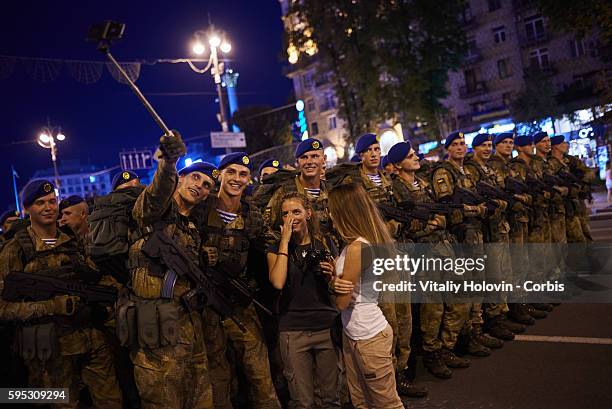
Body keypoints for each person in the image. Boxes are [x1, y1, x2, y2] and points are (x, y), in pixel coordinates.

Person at [0, 179, 122, 408]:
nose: (48, 207)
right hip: (50, 351)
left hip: (92, 340)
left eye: (52, 201)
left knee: (111, 401)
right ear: (27, 209)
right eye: (40, 203)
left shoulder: (74, 240)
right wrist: (52, 307)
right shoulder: (15, 251)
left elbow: (94, 276)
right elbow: (3, 308)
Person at [125, 132, 215, 409]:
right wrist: (168, 163)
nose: (200, 186)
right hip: (158, 330)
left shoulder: (193, 226)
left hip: (190, 328)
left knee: (201, 399)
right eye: (195, 178)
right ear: (183, 178)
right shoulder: (155, 211)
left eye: (208, 185)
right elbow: (158, 192)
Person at [199, 152, 281, 409]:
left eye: (243, 174)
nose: (236, 179)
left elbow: (268, 246)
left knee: (259, 372)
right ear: (220, 175)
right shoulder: (201, 210)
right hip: (207, 308)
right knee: (217, 375)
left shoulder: (252, 214)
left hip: (240, 305)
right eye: (231, 172)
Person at [388, 141, 470, 379]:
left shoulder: (425, 184)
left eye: (415, 154)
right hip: (424, 254)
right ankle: (433, 352)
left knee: (460, 297)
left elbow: (443, 216)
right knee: (432, 307)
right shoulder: (396, 191)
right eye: (410, 156)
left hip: (444, 248)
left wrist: (433, 222)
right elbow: (404, 227)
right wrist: (428, 224)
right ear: (398, 164)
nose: (416, 158)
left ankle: (447, 345)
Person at [328, 183, 404, 409]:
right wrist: (337, 277)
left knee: (386, 403)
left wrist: (334, 284)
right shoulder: (357, 243)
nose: (330, 215)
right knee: (361, 401)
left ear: (344, 212)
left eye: (332, 209)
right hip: (355, 333)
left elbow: (341, 303)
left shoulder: (357, 248)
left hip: (367, 336)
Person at [267, 192, 340, 409]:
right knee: (302, 401)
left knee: (331, 399)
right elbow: (278, 282)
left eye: (296, 212)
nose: (291, 218)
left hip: (326, 327)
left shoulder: (325, 243)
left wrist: (331, 276)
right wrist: (285, 241)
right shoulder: (276, 249)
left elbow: (338, 284)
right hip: (293, 330)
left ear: (308, 213)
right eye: (286, 214)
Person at [430, 131, 498, 356]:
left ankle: (476, 330)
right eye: (455, 144)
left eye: (462, 144)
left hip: (476, 234)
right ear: (448, 148)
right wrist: (478, 210)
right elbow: (449, 206)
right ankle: (459, 338)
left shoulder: (468, 170)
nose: (460, 147)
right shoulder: (444, 172)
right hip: (460, 237)